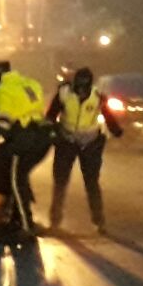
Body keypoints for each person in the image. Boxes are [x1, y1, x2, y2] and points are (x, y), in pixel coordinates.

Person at [45, 67, 123, 234]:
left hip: (90, 143)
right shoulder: (64, 94)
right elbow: (51, 115)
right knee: (60, 182)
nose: (80, 93)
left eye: (83, 89)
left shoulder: (97, 96)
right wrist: (51, 131)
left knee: (92, 183)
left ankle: (99, 221)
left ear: (88, 87)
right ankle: (55, 221)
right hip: (67, 141)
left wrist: (116, 130)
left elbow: (108, 115)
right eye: (78, 89)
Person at [0, 60, 54, 237]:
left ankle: (25, 224)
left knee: (16, 181)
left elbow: (4, 119)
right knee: (20, 177)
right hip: (42, 136)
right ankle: (16, 220)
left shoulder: (3, 90)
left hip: (23, 138)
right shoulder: (30, 83)